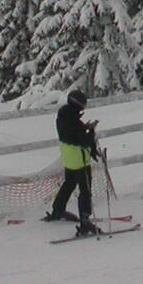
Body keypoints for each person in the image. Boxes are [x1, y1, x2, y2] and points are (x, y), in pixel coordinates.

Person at [46, 89, 101, 235]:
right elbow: (82, 140)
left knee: (69, 183)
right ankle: (85, 222)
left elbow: (72, 133)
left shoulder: (64, 116)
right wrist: (91, 132)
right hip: (80, 159)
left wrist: (85, 128)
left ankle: (58, 209)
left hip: (69, 158)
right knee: (85, 190)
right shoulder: (73, 120)